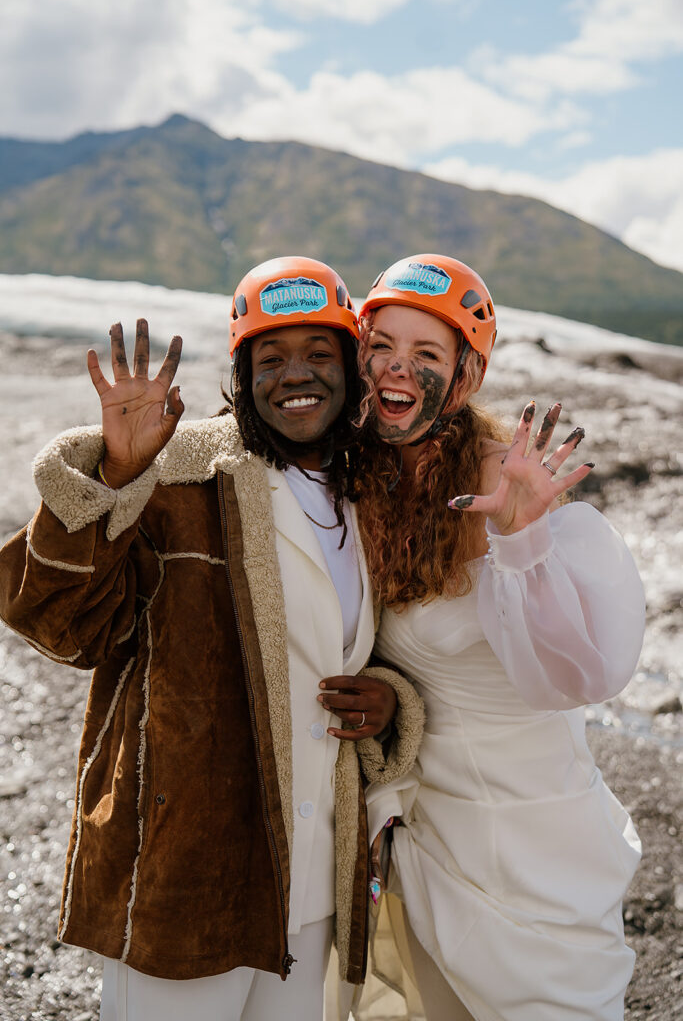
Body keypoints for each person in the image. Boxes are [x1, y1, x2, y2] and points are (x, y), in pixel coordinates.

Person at [0, 256, 425, 1021]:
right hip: (184, 873)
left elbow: (376, 651)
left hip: (307, 883)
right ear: (241, 374)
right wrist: (118, 471)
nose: (296, 375)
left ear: (352, 369)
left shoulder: (367, 495)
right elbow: (60, 624)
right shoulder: (178, 476)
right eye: (270, 358)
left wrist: (387, 703)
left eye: (319, 354)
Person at [335, 254, 645, 1021]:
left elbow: (576, 681)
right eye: (381, 346)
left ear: (466, 374)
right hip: (428, 835)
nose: (396, 368)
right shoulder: (358, 478)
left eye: (426, 354)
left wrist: (523, 542)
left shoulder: (512, 487)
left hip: (531, 838)